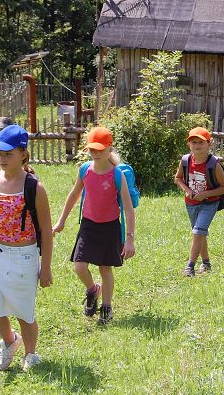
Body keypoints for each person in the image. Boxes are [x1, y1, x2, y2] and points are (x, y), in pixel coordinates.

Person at [0, 124, 54, 372]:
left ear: (23, 154)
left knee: (24, 312)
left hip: (24, 256)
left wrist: (46, 267)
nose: (2, 159)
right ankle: (9, 341)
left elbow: (46, 230)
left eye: (8, 154)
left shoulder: (34, 187)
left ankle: (31, 354)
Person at [53, 126, 135, 325]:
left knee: (105, 269)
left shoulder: (117, 175)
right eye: (92, 149)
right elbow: (74, 195)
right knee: (79, 266)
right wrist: (61, 221)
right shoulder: (85, 170)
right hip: (89, 225)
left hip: (109, 227)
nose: (96, 153)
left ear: (109, 149)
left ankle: (106, 307)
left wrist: (130, 239)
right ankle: (92, 290)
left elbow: (128, 209)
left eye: (100, 149)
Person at [174, 127, 224, 277]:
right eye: (194, 142)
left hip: (210, 203)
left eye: (201, 142)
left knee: (198, 231)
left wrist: (206, 194)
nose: (197, 145)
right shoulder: (185, 161)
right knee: (199, 233)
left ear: (209, 144)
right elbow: (178, 178)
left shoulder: (214, 164)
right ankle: (206, 263)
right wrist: (187, 190)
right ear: (189, 144)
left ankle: (189, 267)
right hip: (191, 203)